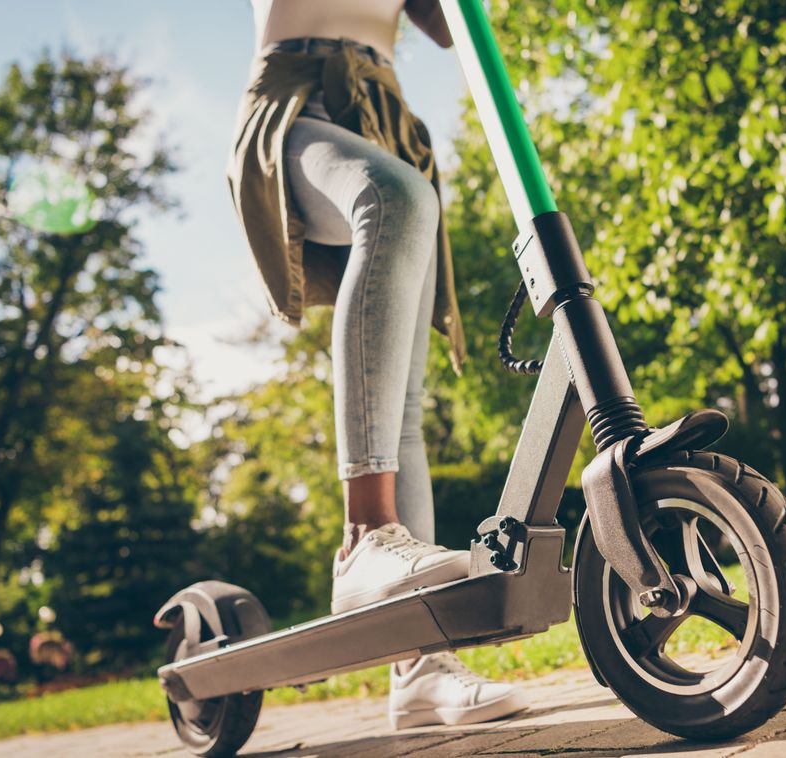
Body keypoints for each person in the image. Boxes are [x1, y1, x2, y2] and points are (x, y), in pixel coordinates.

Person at [227, 0, 527, 729]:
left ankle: (420, 666)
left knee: (404, 408)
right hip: (297, 100)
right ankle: (366, 537)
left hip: (384, 110)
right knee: (393, 197)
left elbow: (462, 24)